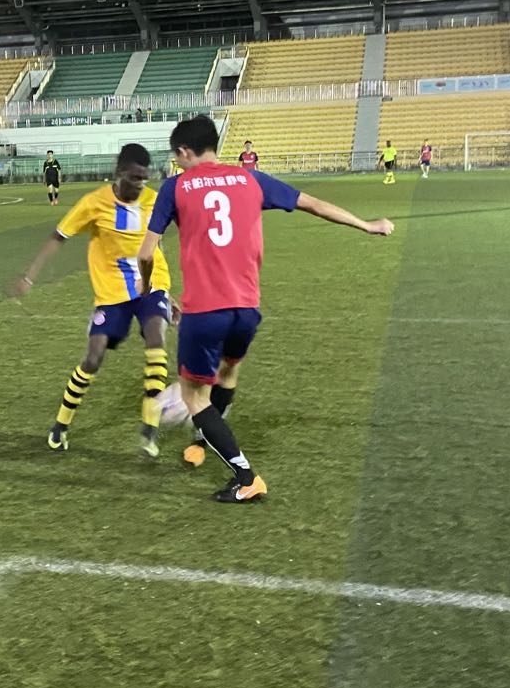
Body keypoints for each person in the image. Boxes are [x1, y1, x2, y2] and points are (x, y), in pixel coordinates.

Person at [137, 115, 394, 503]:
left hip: (205, 310)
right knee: (227, 372)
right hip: (246, 309)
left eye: (177, 157)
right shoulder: (250, 178)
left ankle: (245, 477)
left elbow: (146, 252)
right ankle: (202, 443)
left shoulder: (175, 186)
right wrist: (366, 225)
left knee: (193, 397)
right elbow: (313, 204)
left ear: (185, 151)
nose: (177, 163)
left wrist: (148, 285)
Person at [10, 143, 174, 459]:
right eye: (134, 178)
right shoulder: (94, 203)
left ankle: (149, 429)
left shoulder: (154, 201)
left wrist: (168, 293)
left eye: (144, 178)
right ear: (119, 172)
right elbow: (58, 236)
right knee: (93, 357)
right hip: (111, 293)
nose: (140, 184)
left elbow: (156, 246)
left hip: (151, 286)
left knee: (156, 339)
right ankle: (61, 425)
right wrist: (28, 277)